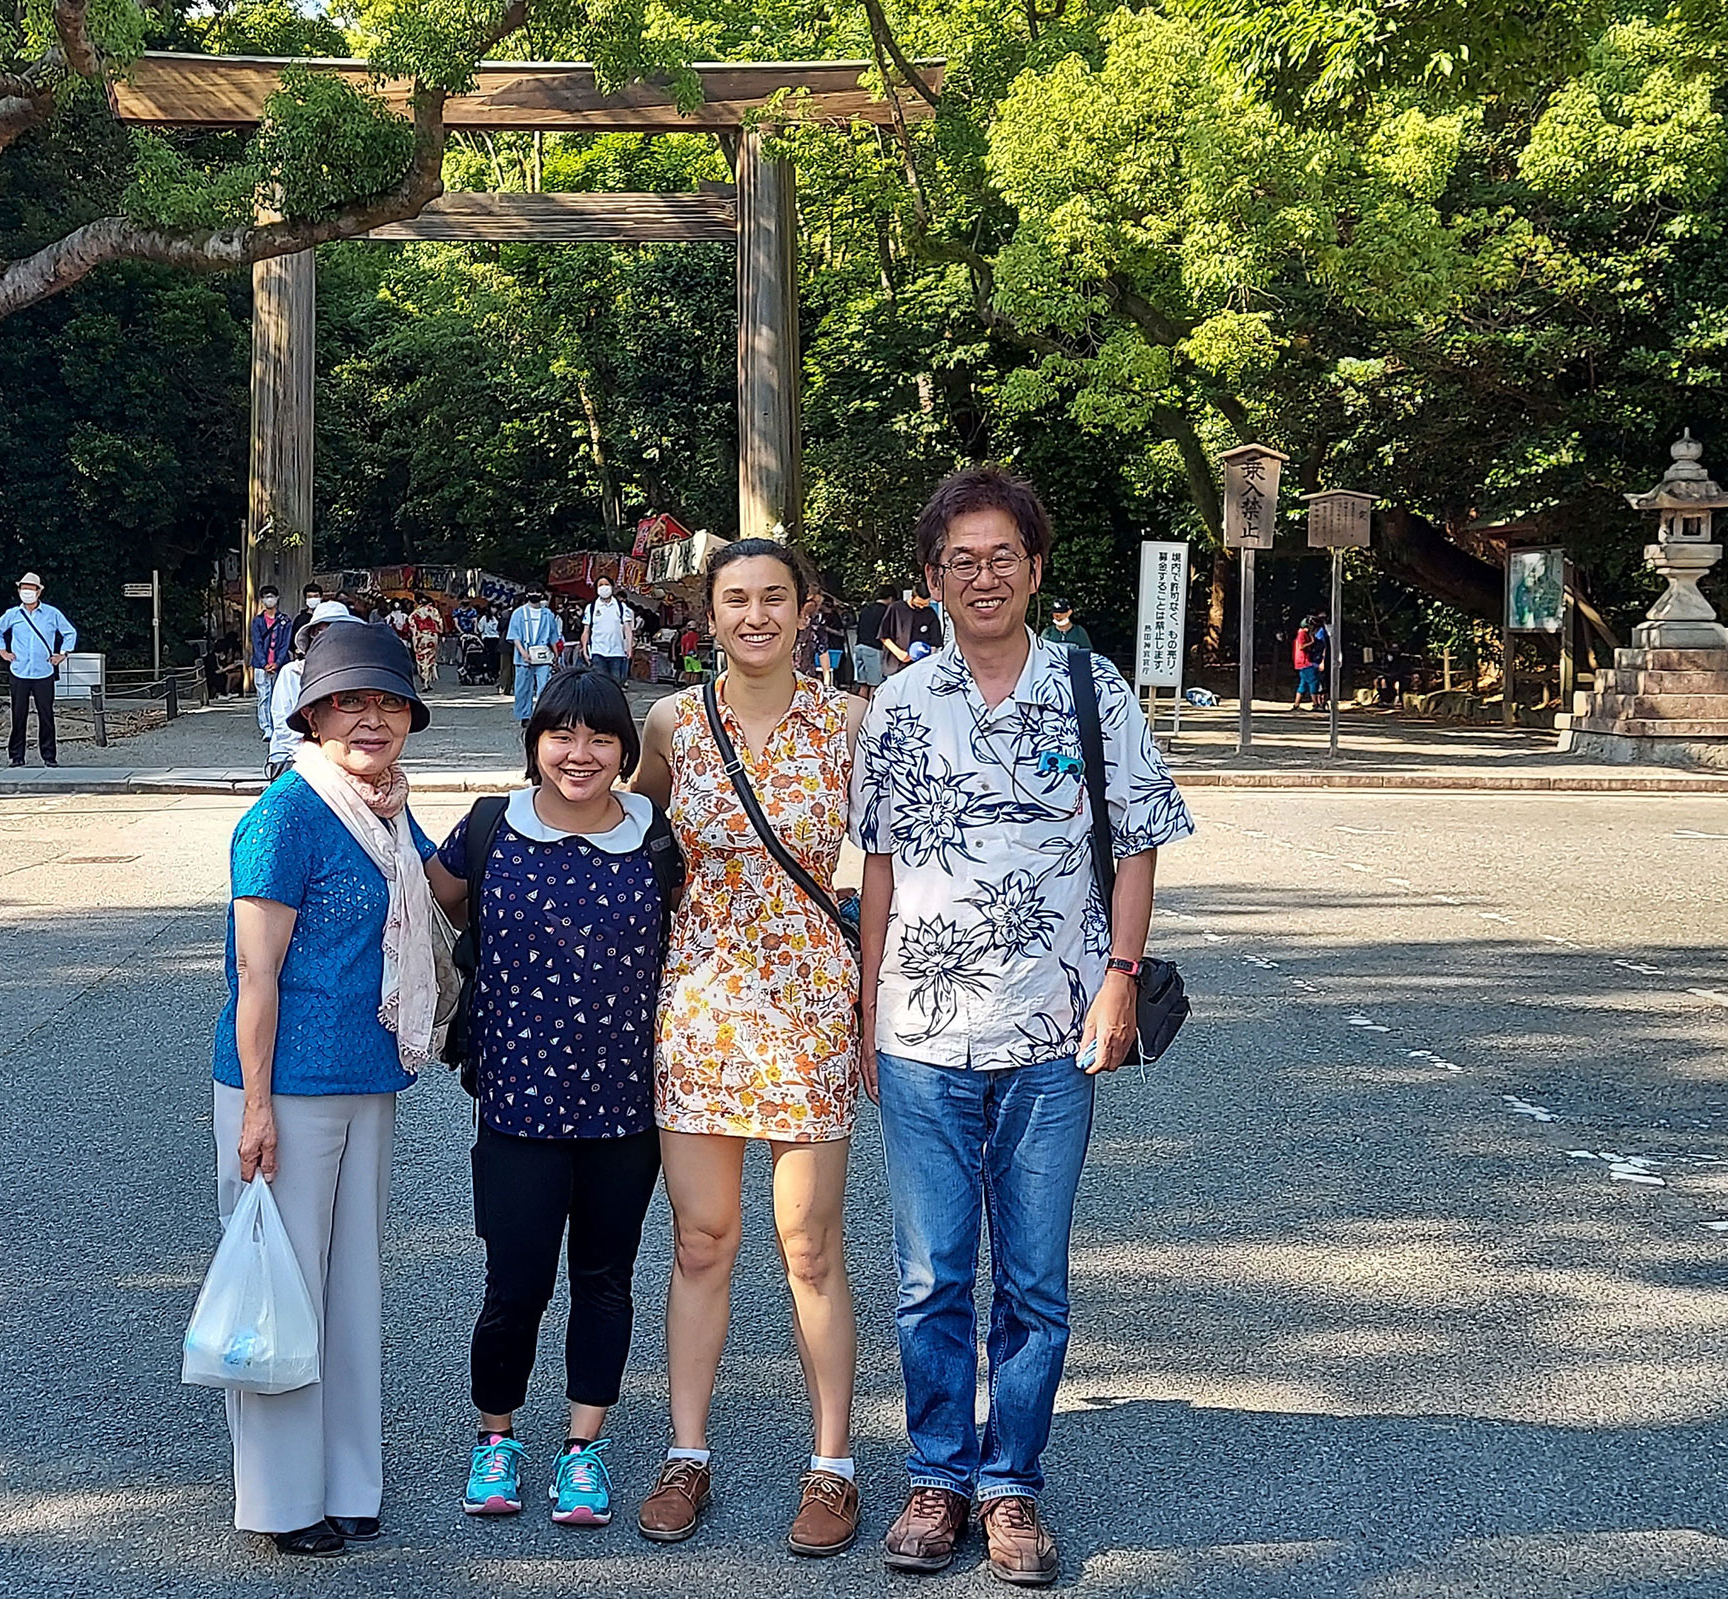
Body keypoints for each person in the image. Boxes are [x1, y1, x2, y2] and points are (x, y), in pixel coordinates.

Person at [851, 466, 1192, 1585]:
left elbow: (1136, 843)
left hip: (1054, 1027)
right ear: (932, 581)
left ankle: (1012, 1488)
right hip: (922, 1032)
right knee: (929, 1274)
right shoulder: (900, 706)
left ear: (1036, 569)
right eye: (962, 561)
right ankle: (938, 1477)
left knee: (1035, 1282)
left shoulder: (1092, 690)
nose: (984, 576)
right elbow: (882, 866)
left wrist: (1121, 980)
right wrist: (867, 1006)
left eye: (1003, 556)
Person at [626, 539, 866, 1560]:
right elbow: (628, 831)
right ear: (708, 614)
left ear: (805, 609)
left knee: (808, 1246)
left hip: (812, 1003)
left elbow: (900, 863)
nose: (756, 615)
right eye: (736, 599)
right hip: (702, 1004)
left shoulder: (853, 722)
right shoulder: (674, 722)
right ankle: (687, 1453)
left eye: (775, 597)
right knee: (700, 1240)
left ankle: (833, 1465)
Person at [209, 621, 439, 1559]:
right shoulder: (285, 815)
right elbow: (254, 977)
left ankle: (349, 1480)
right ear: (312, 713)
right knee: (287, 1287)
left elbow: (444, 889)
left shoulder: (386, 810)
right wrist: (256, 1106)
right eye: (350, 701)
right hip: (285, 1086)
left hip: (367, 1076)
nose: (370, 719)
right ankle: (278, 1497)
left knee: (352, 1289)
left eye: (386, 702)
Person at [428, 668, 670, 1531]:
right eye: (561, 735)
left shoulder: (654, 836)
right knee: (515, 1283)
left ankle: (583, 1449)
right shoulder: (494, 826)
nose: (580, 753)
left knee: (605, 1280)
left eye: (601, 737)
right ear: (534, 743)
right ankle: (496, 1438)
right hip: (517, 1105)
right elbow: (433, 895)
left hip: (626, 1109)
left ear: (624, 751)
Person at [0, 572, 77, 768]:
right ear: (19, 590)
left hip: (43, 671)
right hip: (19, 670)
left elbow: (70, 632)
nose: (27, 592)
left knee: (46, 715)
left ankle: (49, 756)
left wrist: (62, 653)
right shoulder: (12, 614)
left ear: (39, 591)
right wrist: (2, 651)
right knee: (18, 715)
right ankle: (16, 756)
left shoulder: (52, 613)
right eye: (24, 588)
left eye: (31, 588)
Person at [266, 601, 355, 779]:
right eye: (324, 631)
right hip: (293, 758)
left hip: (342, 759)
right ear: (314, 635)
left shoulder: (353, 677)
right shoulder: (292, 673)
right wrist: (315, 757)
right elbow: (284, 725)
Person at [507, 591, 563, 722]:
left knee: (545, 686)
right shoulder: (519, 613)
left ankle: (543, 713)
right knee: (523, 687)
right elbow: (514, 635)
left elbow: (553, 635)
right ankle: (524, 715)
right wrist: (522, 652)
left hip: (543, 655)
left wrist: (556, 654)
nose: (535, 594)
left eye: (537, 592)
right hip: (524, 655)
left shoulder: (548, 614)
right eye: (531, 592)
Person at [251, 586, 296, 738]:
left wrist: (277, 662)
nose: (269, 599)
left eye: (272, 596)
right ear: (262, 600)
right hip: (260, 665)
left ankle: (279, 725)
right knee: (263, 696)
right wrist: (264, 663)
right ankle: (266, 727)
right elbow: (256, 643)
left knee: (279, 696)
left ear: (277, 598)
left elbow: (285, 644)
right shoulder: (257, 622)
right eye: (266, 596)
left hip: (279, 664)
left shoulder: (285, 621)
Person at [583, 579, 639, 682]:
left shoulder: (621, 607)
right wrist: (585, 649)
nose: (604, 587)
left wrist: (629, 648)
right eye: (600, 585)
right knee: (600, 683)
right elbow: (586, 631)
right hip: (597, 651)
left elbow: (627, 629)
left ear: (612, 587)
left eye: (606, 584)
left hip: (617, 652)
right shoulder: (591, 608)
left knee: (616, 683)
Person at [880, 586, 941, 676]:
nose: (921, 607)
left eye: (925, 604)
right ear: (912, 597)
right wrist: (899, 653)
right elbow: (884, 635)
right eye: (918, 603)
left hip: (920, 665)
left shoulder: (929, 613)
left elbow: (935, 641)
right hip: (896, 665)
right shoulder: (895, 608)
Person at [851, 589, 889, 693]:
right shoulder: (886, 611)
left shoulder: (866, 609)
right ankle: (873, 708)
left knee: (863, 685)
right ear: (890, 598)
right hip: (874, 648)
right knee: (875, 684)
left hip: (859, 647)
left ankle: (861, 708)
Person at [411, 597, 445, 687]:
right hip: (432, 636)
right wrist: (439, 631)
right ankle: (428, 680)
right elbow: (440, 625)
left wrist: (415, 640)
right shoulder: (434, 611)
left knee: (421, 658)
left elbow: (413, 628)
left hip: (420, 637)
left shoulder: (415, 613)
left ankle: (424, 679)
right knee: (430, 658)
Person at [1291, 614, 1322, 711]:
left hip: (1301, 663)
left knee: (1303, 684)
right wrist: (1312, 642)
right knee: (1314, 681)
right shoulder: (1302, 634)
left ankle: (1296, 704)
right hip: (1305, 662)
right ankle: (1315, 704)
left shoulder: (1302, 634)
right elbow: (1301, 646)